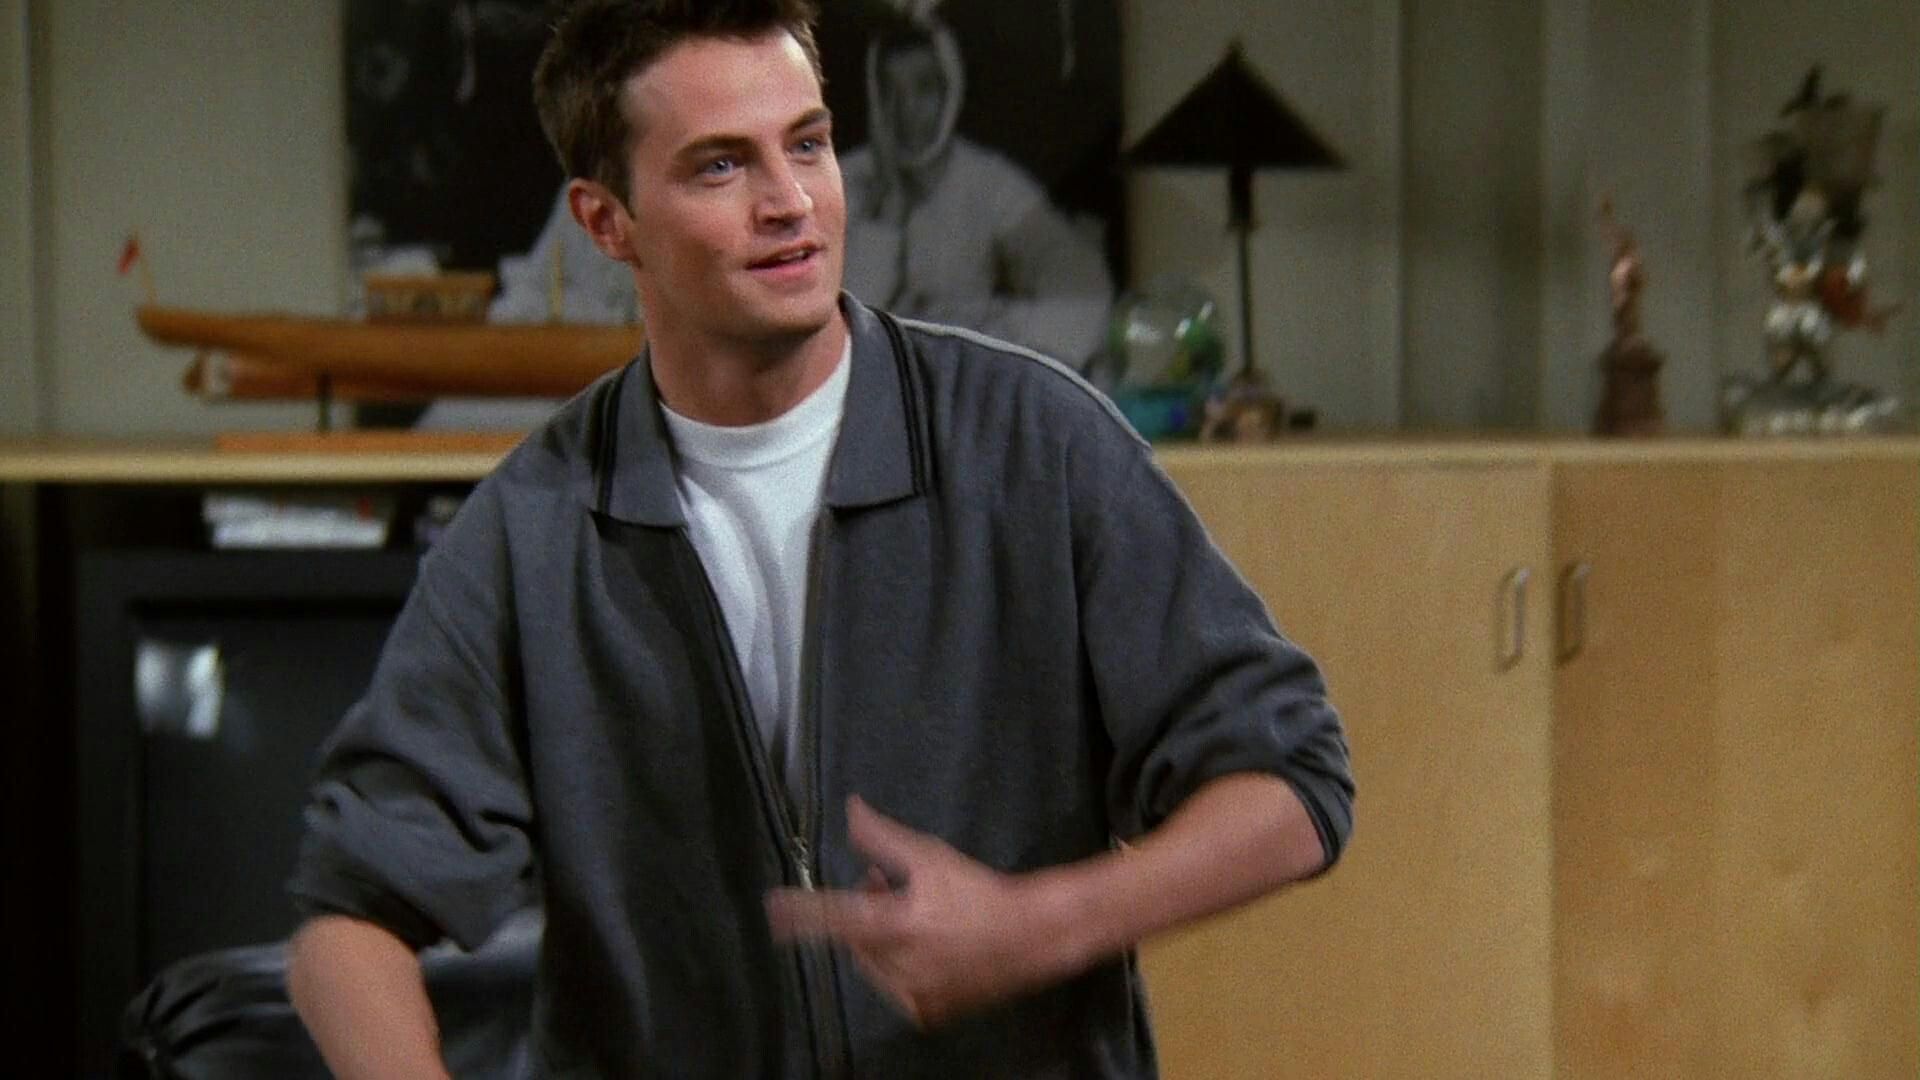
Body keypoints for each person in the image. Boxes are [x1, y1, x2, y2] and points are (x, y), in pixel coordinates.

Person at [284, 1, 1353, 1076]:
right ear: (608, 223)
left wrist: (1035, 927)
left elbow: (1292, 780)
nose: (790, 202)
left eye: (807, 144)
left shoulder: (1036, 446)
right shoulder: (529, 531)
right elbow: (347, 923)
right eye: (720, 167)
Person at [840, 17, 1114, 367]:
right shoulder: (842, 179)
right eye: (890, 91)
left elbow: (1085, 296)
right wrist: (887, 208)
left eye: (924, 89)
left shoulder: (988, 181)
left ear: (951, 90)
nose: (906, 109)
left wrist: (980, 328)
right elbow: (842, 335)